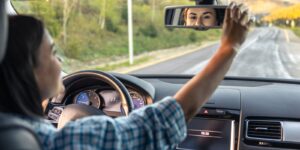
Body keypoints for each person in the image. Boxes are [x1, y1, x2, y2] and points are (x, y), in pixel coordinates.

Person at [0, 2, 250, 150]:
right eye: (53, 54)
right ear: (29, 72)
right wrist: (229, 48)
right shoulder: (65, 140)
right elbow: (161, 122)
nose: (61, 62)